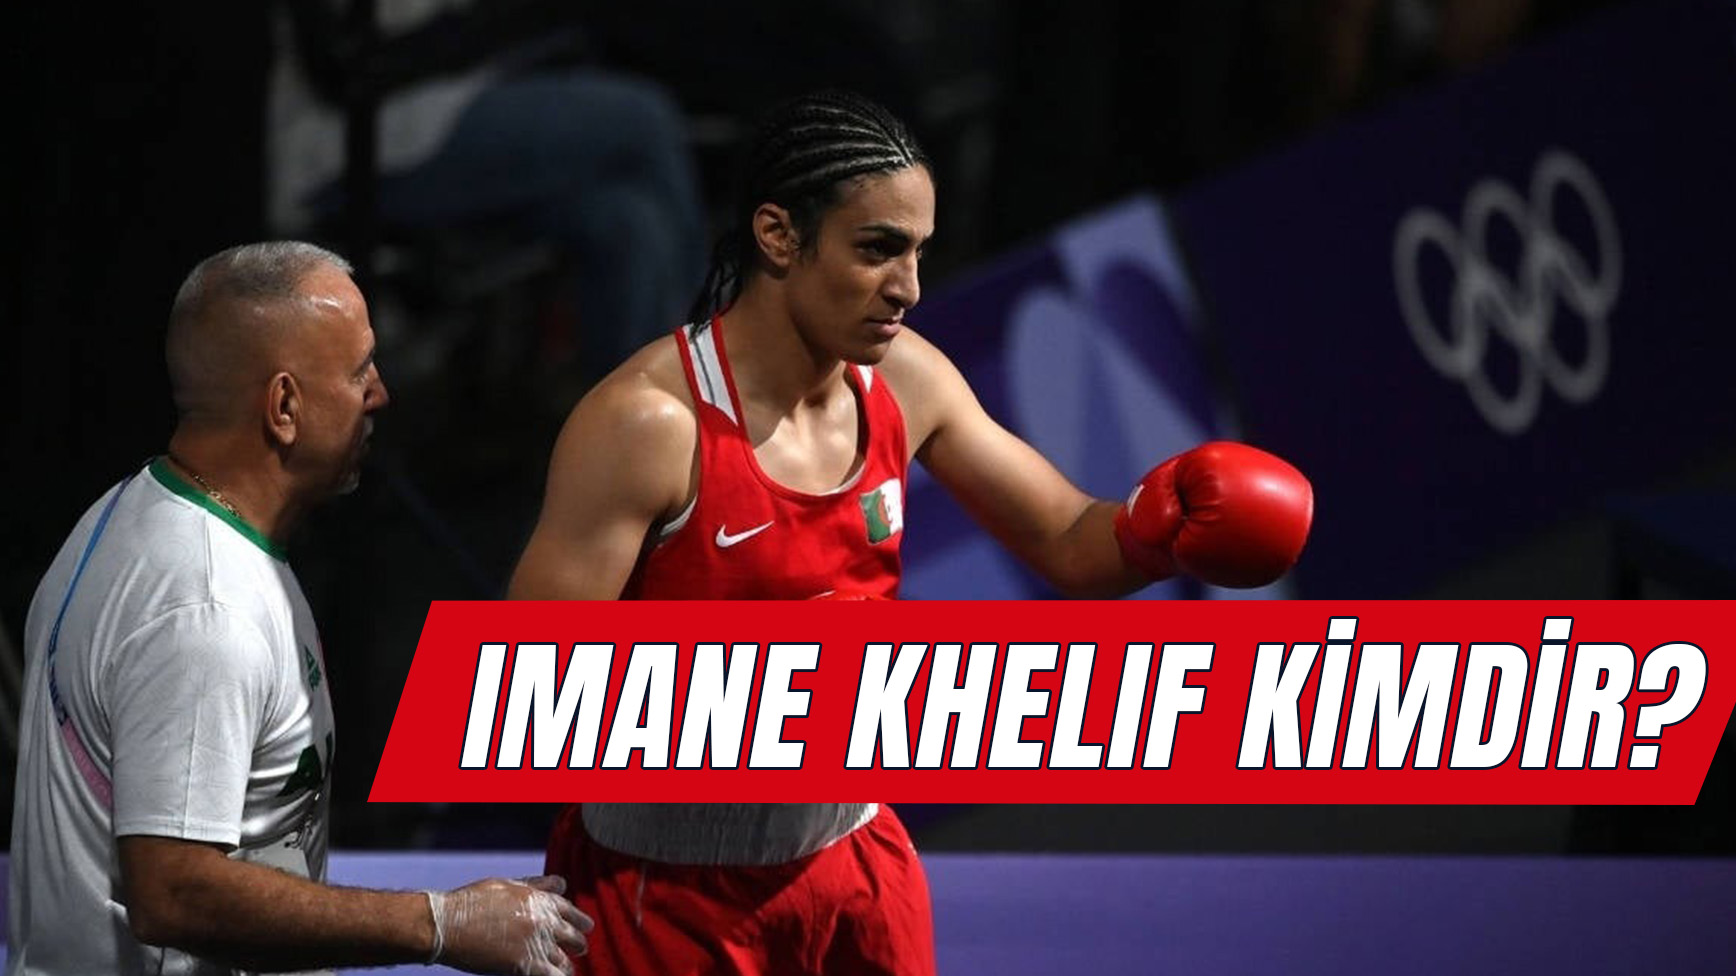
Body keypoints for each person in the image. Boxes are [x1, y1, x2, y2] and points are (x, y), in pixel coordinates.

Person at [508, 91, 1314, 974]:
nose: (909, 288)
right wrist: (772, 690)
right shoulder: (647, 426)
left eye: (918, 251)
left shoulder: (906, 380)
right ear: (778, 236)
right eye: (877, 249)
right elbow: (530, 696)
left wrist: (1153, 533)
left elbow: (1068, 539)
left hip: (855, 863)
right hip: (663, 891)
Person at [6, 242, 591, 976]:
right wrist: (442, 923)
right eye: (358, 371)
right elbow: (174, 892)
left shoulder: (131, 513)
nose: (380, 394)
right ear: (284, 406)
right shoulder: (206, 608)